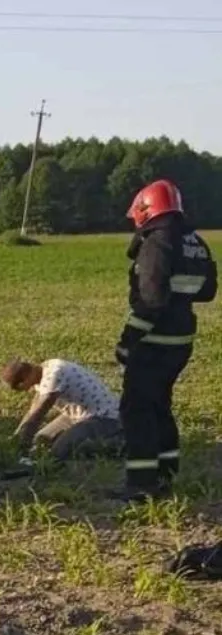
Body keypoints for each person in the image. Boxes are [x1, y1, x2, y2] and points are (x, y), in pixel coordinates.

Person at [113, 179, 216, 502]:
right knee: (160, 405)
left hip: (154, 342)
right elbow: (207, 290)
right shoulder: (194, 241)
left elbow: (151, 301)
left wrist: (128, 341)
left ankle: (142, 484)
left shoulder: (157, 242)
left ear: (146, 209)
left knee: (137, 408)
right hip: (182, 339)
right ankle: (167, 473)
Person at [0, 358, 123, 463]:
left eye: (19, 388)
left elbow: (38, 415)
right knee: (41, 441)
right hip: (76, 415)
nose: (24, 391)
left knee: (60, 451)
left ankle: (119, 443)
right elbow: (32, 411)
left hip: (104, 416)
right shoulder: (43, 371)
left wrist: (23, 444)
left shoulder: (54, 375)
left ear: (25, 378)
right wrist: (16, 436)